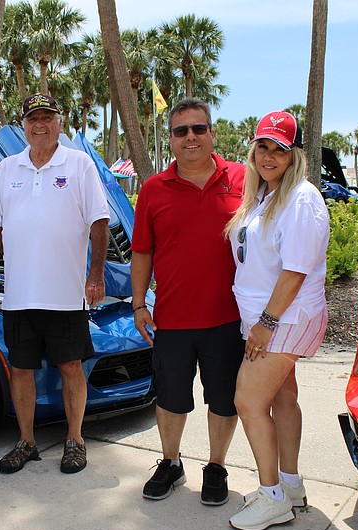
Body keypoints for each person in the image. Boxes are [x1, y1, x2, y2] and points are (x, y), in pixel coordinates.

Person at [0, 93, 109, 475]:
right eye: (33, 118)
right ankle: (26, 442)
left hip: (66, 295)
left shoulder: (80, 164)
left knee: (70, 367)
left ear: (59, 123)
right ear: (23, 125)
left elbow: (99, 222)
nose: (40, 124)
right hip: (19, 296)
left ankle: (75, 440)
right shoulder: (7, 169)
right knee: (20, 370)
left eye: (47, 118)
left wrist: (96, 275)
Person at [131, 97, 245, 506]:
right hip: (172, 319)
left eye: (198, 129)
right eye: (181, 131)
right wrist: (139, 304)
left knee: (224, 399)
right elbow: (142, 251)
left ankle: (216, 466)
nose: (190, 137)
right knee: (170, 398)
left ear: (212, 133)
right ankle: (170, 462)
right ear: (172, 140)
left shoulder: (244, 179)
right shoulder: (153, 189)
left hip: (229, 319)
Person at [224, 110, 329, 530]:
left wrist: (265, 323)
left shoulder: (302, 198)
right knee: (283, 398)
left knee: (248, 402)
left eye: (279, 149)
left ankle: (272, 499)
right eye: (262, 146)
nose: (268, 156)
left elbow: (296, 269)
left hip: (283, 319)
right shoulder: (264, 195)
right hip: (268, 319)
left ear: (294, 155)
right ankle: (290, 486)